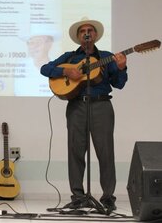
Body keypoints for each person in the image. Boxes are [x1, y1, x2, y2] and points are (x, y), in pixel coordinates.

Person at [40, 18, 128, 212]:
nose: (86, 33)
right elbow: (44, 69)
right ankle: (78, 197)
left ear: (95, 35)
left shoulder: (107, 57)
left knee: (105, 153)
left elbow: (119, 84)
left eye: (90, 30)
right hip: (76, 106)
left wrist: (121, 68)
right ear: (79, 37)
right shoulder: (70, 57)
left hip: (101, 105)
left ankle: (108, 198)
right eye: (83, 31)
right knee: (76, 152)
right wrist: (67, 71)